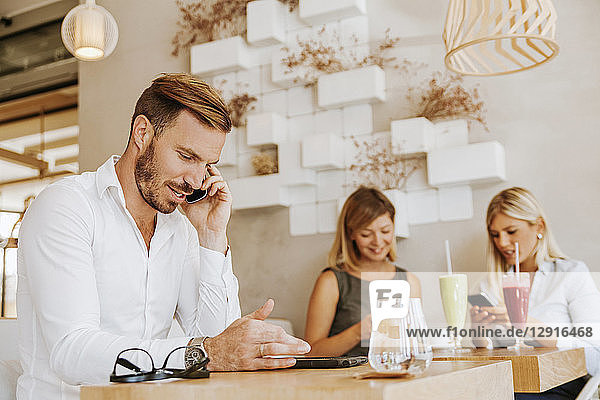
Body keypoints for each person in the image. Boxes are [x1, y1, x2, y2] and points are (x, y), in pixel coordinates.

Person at [16, 73, 309, 400]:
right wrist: (206, 353)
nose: (197, 180)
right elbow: (72, 351)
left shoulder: (180, 229)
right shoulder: (67, 206)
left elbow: (216, 343)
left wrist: (211, 237)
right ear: (143, 133)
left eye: (208, 164)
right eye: (187, 156)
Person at [471, 187, 600, 400]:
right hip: (502, 385)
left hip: (558, 385)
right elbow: (485, 360)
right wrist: (478, 334)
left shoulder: (571, 275)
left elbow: (597, 356)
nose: (502, 243)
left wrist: (537, 329)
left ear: (539, 226)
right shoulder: (488, 285)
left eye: (511, 232)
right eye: (495, 235)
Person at [304, 187, 421, 356]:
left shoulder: (409, 281)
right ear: (351, 233)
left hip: (395, 377)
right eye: (366, 234)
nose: (378, 242)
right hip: (342, 381)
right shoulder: (331, 281)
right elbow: (311, 352)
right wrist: (359, 332)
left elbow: (415, 345)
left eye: (385, 231)